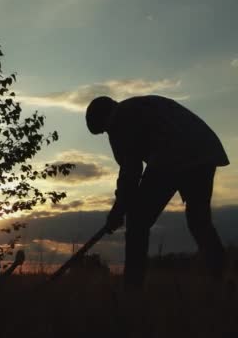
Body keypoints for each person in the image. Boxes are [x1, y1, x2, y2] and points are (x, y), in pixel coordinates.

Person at [85, 95, 230, 290]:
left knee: (137, 219)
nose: (108, 134)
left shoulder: (121, 120)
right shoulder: (136, 107)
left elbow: (131, 170)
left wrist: (118, 211)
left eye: (104, 129)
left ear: (106, 118)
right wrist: (121, 207)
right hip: (204, 150)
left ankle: (132, 287)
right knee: (199, 221)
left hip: (174, 153)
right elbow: (132, 170)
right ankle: (220, 279)